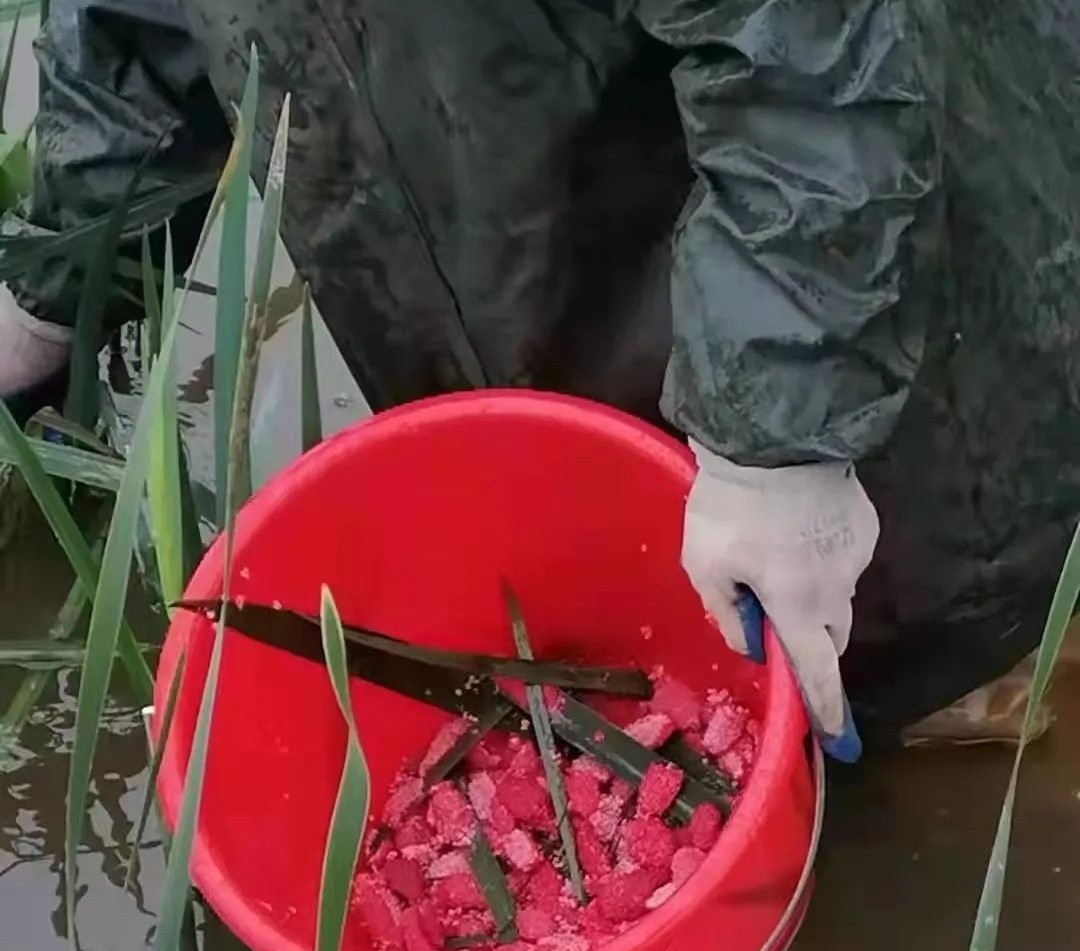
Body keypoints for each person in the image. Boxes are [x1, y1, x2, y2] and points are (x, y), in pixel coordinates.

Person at [3, 0, 1079, 760]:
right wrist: (48, 285)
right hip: (520, 245)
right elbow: (133, 26)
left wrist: (777, 432)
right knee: (654, 640)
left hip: (868, 262)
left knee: (953, 641)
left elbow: (806, 59)